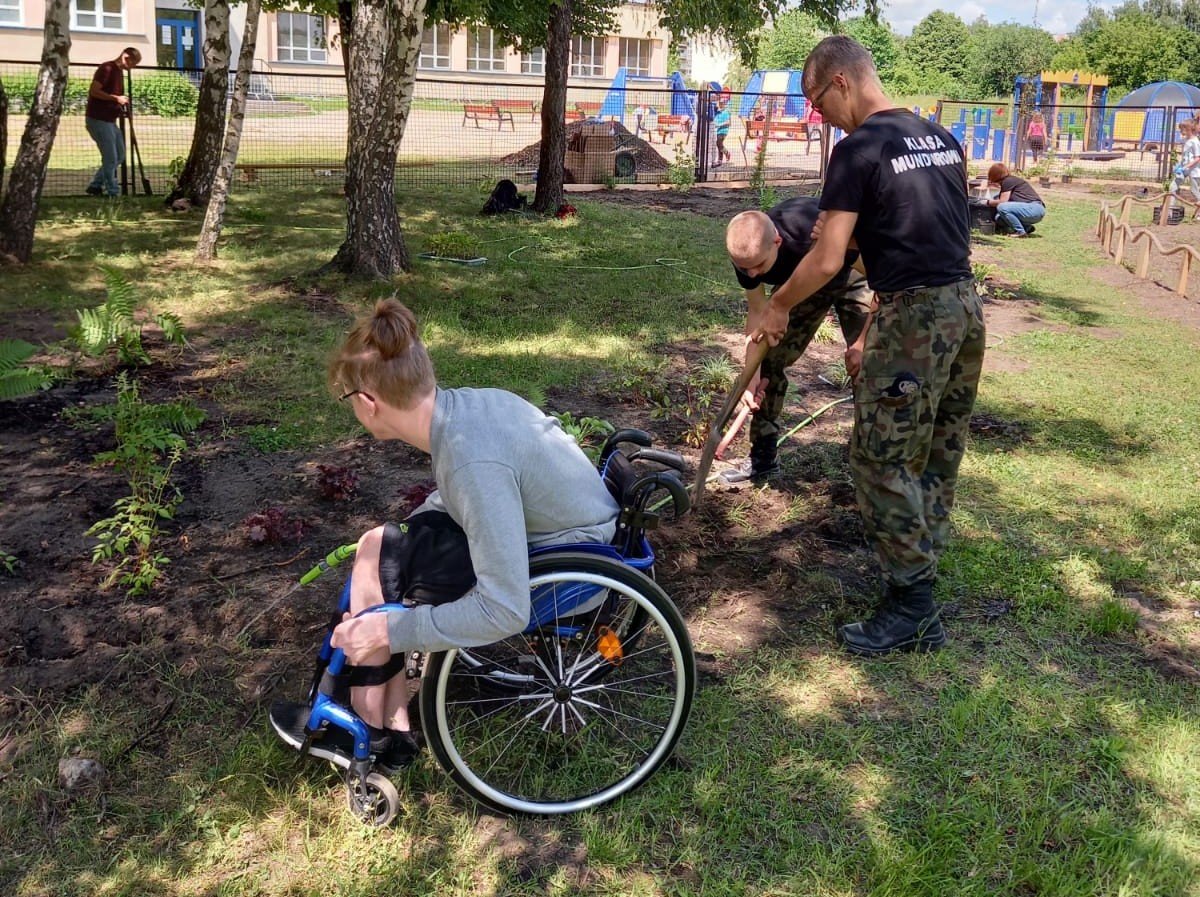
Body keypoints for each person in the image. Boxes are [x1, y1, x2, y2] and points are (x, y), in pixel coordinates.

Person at [312, 299, 620, 769]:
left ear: (368, 403)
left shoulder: (470, 458)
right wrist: (407, 530)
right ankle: (388, 718)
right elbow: (464, 496)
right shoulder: (467, 411)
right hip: (561, 529)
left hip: (569, 563)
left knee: (381, 580)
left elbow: (505, 610)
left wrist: (393, 630)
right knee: (378, 545)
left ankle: (369, 727)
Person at [755, 35, 986, 656]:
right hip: (965, 308)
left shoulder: (857, 150)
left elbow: (829, 258)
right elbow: (919, 234)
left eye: (816, 103)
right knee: (936, 448)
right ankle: (922, 566)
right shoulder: (940, 138)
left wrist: (779, 305)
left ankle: (912, 608)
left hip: (914, 319)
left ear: (841, 82)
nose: (820, 118)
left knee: (879, 460)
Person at [719, 198, 871, 485]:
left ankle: (870, 462)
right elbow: (758, 314)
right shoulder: (747, 252)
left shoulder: (808, 234)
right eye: (745, 269)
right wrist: (751, 377)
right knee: (768, 358)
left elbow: (879, 277)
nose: (752, 274)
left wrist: (862, 343)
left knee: (870, 367)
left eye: (758, 266)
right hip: (801, 284)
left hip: (855, 272)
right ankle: (762, 457)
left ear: (777, 242)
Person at [84, 47, 141, 198]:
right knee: (110, 158)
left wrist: (120, 104)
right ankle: (113, 192)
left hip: (110, 120)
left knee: (120, 155)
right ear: (126, 57)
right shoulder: (107, 68)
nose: (133, 67)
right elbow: (94, 91)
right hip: (98, 119)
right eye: (133, 63)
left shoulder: (119, 72)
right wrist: (116, 98)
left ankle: (95, 186)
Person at [985, 162, 1045, 237]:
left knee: (1002, 207)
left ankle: (1020, 232)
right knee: (999, 217)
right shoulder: (1009, 181)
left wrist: (987, 202)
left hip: (1034, 209)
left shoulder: (1008, 181)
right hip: (1034, 211)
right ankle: (1026, 227)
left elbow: (1002, 202)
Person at [1169, 119, 1200, 218]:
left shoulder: (1195, 142)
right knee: (1173, 187)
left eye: (1183, 129)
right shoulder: (1186, 140)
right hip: (1184, 169)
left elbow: (1197, 158)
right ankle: (1169, 212)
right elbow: (1185, 156)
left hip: (1194, 171)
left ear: (1190, 129)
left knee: (1194, 191)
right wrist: (1179, 165)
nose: (1181, 131)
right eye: (1181, 129)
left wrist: (1185, 167)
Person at [713, 99, 732, 168]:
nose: (721, 104)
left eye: (722, 103)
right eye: (720, 103)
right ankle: (720, 160)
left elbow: (728, 122)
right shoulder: (718, 112)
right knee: (719, 145)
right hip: (717, 131)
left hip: (723, 130)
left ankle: (727, 153)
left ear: (725, 104)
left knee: (718, 143)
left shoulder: (727, 112)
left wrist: (719, 125)